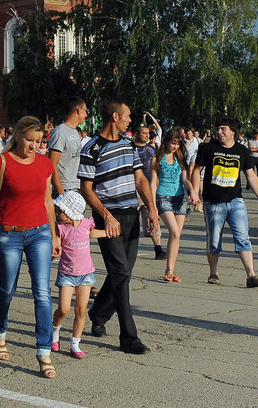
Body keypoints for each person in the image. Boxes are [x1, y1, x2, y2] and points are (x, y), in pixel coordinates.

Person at [0, 116, 60, 379]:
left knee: (42, 292)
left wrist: (55, 234)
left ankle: (43, 350)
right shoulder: (1, 162)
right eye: (29, 140)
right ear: (17, 137)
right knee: (7, 289)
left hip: (40, 233)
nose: (34, 145)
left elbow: (48, 201)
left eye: (39, 141)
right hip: (8, 233)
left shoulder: (45, 164)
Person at [79, 98, 158, 354]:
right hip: (108, 218)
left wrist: (152, 209)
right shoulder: (91, 148)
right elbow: (86, 190)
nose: (130, 120)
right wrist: (106, 215)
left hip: (131, 216)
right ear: (115, 117)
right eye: (128, 116)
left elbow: (140, 179)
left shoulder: (128, 144)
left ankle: (98, 314)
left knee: (122, 274)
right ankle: (128, 337)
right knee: (121, 273)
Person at [189, 118, 258, 288]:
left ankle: (251, 276)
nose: (219, 132)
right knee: (214, 239)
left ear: (232, 132)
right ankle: (213, 273)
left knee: (243, 237)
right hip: (213, 203)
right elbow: (196, 171)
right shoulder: (208, 148)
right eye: (218, 129)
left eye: (223, 129)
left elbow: (250, 175)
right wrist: (195, 192)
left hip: (236, 201)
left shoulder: (241, 150)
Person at [50, 190, 105, 359]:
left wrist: (108, 232)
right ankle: (55, 331)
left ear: (70, 211)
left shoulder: (86, 223)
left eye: (60, 211)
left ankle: (75, 343)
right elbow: (56, 245)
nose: (57, 214)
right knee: (64, 308)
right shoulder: (60, 228)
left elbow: (92, 233)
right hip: (67, 274)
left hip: (86, 275)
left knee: (81, 310)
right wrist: (53, 253)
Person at [148, 129, 190, 282]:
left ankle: (170, 270)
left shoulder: (180, 159)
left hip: (180, 198)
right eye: (173, 143)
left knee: (176, 235)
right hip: (163, 197)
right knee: (175, 232)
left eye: (178, 144)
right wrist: (152, 206)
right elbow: (153, 184)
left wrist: (193, 192)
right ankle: (168, 269)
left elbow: (185, 179)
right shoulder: (157, 159)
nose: (175, 146)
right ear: (165, 141)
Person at [134, 121, 165, 260]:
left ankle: (158, 248)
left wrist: (156, 177)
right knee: (131, 220)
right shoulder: (131, 148)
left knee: (152, 216)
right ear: (136, 134)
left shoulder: (151, 149)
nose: (147, 136)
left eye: (148, 133)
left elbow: (155, 166)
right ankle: (130, 247)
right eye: (144, 133)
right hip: (133, 187)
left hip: (148, 188)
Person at [48, 97, 89, 196]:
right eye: (85, 110)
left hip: (76, 187)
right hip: (65, 188)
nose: (87, 115)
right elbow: (52, 164)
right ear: (78, 110)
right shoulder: (60, 132)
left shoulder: (74, 131)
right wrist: (62, 193)